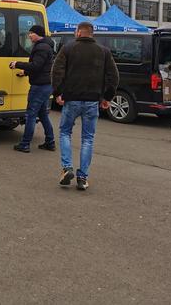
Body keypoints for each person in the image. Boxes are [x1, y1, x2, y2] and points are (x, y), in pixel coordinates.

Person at [51, 21, 118, 191]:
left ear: (79, 32)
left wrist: (58, 93)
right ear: (92, 33)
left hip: (71, 98)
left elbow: (56, 71)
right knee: (88, 138)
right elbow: (113, 76)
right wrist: (107, 97)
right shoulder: (104, 51)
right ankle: (83, 177)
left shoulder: (67, 48)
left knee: (65, 132)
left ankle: (67, 168)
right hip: (92, 100)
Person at [9, 25, 56, 153]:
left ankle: (25, 144)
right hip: (45, 85)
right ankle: (50, 142)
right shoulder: (46, 46)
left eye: (31, 33)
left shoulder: (41, 47)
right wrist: (25, 72)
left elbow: (36, 66)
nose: (29, 35)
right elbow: (42, 67)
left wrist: (17, 64)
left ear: (38, 34)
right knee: (43, 114)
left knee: (30, 115)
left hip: (39, 87)